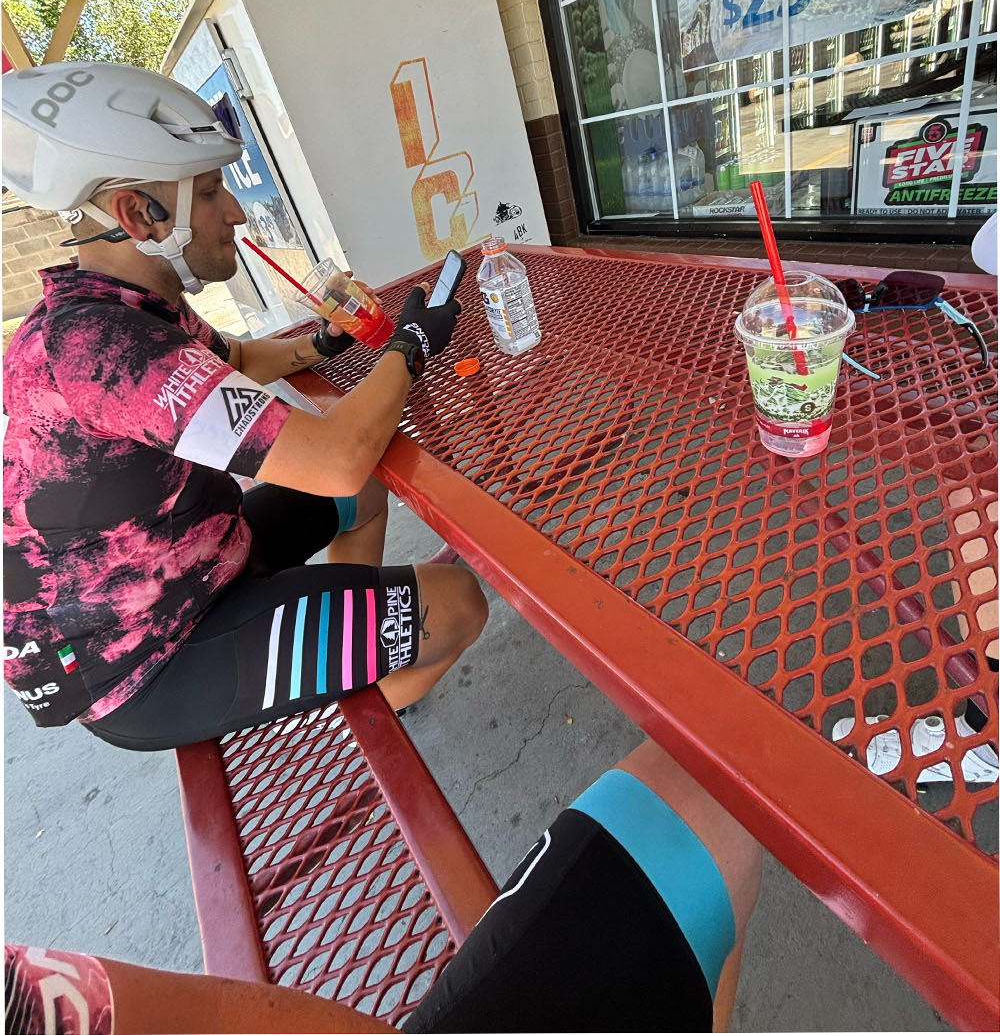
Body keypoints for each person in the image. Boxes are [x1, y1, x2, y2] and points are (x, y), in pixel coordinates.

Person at [1, 62, 487, 750]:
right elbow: (338, 459)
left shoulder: (117, 308)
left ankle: (347, 643)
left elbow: (235, 360)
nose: (234, 211)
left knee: (369, 498)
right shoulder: (103, 347)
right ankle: (369, 708)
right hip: (144, 662)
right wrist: (407, 346)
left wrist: (322, 341)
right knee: (459, 603)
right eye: (208, 191)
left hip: (198, 560)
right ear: (140, 214)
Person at [4, 737, 763, 1032]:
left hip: (149, 642)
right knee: (709, 777)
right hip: (173, 647)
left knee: (347, 521)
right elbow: (334, 460)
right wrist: (396, 377)